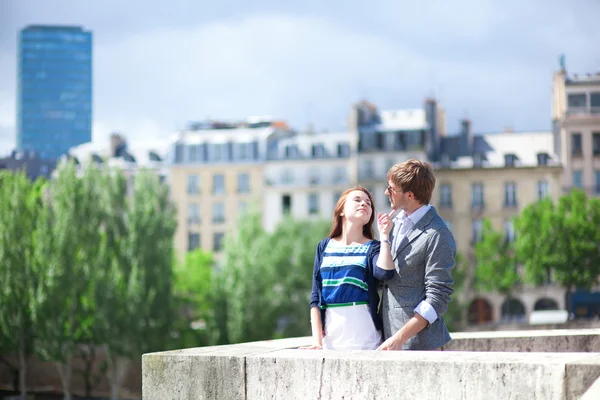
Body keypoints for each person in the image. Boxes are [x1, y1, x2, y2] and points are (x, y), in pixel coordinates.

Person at [375, 159, 455, 351]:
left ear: (410, 195)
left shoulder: (437, 234)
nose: (387, 192)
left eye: (391, 189)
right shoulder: (394, 223)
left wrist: (399, 339)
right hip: (388, 339)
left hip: (420, 345)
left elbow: (438, 299)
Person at [304, 186, 395, 350]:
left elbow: (384, 272)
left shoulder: (373, 247)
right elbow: (315, 297)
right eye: (357, 200)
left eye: (368, 203)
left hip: (363, 331)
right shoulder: (324, 246)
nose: (364, 204)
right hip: (331, 334)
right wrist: (317, 342)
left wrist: (384, 237)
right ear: (341, 211)